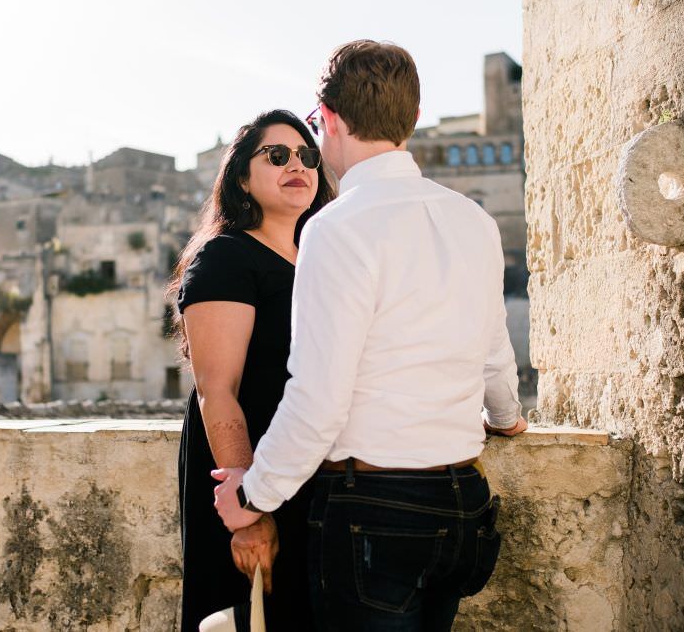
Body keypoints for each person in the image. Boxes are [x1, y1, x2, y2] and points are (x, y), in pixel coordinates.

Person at [213, 40, 528, 631]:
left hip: (375, 514)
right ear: (413, 118)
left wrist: (253, 496)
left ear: (329, 118)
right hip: (463, 501)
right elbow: (494, 356)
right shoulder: (475, 221)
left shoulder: (336, 228)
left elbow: (318, 399)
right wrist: (508, 418)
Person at [169, 109, 335, 630]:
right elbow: (216, 391)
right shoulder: (225, 257)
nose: (297, 166)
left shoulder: (320, 260)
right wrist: (248, 512)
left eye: (308, 156)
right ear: (241, 177)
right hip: (249, 480)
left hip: (305, 476)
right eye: (277, 155)